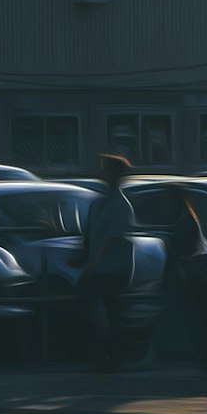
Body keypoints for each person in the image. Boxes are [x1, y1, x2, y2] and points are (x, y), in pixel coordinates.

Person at [76, 154, 139, 367]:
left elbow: (112, 238)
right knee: (101, 308)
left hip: (114, 268)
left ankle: (113, 355)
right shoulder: (99, 203)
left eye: (106, 171)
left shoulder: (121, 205)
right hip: (101, 267)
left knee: (110, 309)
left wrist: (93, 262)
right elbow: (90, 235)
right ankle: (103, 353)